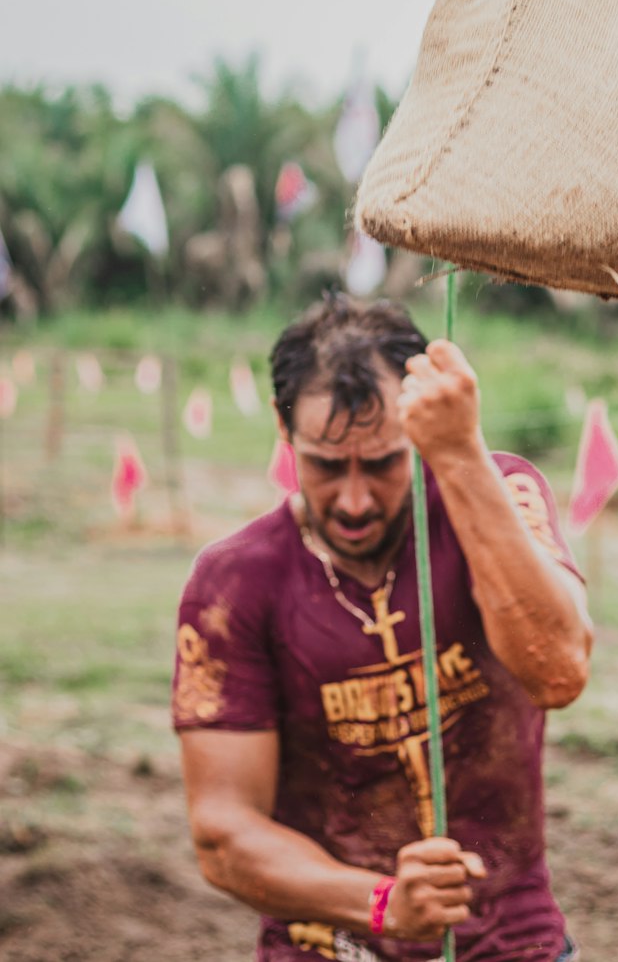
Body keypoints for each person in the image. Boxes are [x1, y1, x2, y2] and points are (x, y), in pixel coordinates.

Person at [172, 294, 593, 962]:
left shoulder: (497, 494)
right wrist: (379, 902)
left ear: (418, 426)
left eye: (385, 462)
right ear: (285, 430)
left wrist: (457, 458)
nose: (356, 500)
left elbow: (559, 669)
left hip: (515, 946)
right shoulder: (233, 584)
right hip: (327, 949)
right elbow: (224, 833)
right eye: (328, 466)